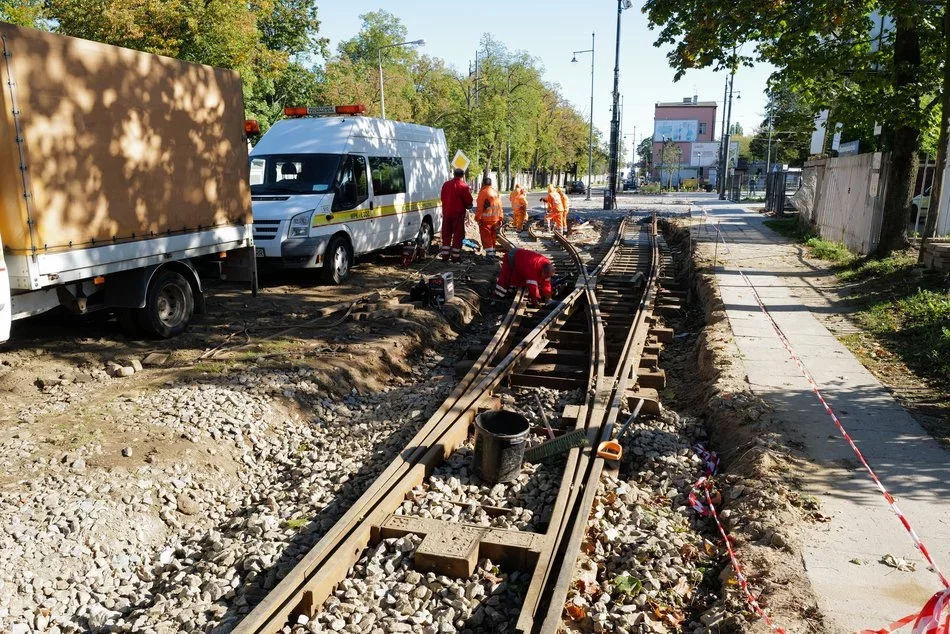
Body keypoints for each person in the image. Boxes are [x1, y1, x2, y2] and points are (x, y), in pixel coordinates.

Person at [440, 168, 473, 262]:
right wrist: (469, 206)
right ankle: (455, 257)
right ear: (462, 175)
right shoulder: (463, 186)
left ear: (454, 174)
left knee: (446, 234)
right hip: (458, 214)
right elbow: (468, 201)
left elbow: (442, 197)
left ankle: (445, 256)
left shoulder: (446, 184)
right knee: (458, 235)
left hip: (447, 213)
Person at [475, 177, 503, 259]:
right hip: (495, 219)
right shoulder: (495, 192)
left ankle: (490, 256)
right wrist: (501, 217)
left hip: (485, 220)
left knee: (486, 237)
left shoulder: (483, 193)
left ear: (483, 184)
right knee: (493, 236)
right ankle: (493, 253)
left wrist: (478, 218)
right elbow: (500, 206)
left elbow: (480, 207)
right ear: (491, 184)